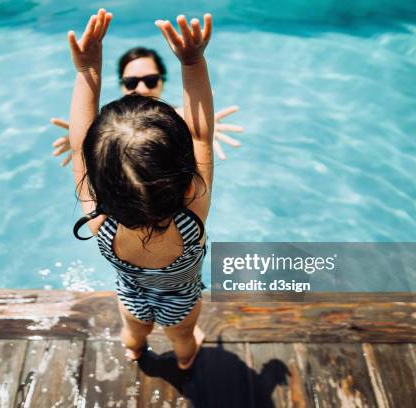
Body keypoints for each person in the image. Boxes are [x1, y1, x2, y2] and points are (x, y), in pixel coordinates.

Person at [66, 9, 214, 370]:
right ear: (183, 176)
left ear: (98, 182)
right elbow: (200, 134)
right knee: (183, 336)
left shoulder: (99, 222)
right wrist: (193, 61)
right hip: (180, 297)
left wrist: (87, 70)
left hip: (131, 292)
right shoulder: (192, 216)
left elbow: (77, 145)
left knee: (133, 329)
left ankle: (133, 349)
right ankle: (184, 359)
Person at [51, 47, 243, 166]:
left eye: (150, 80)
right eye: (131, 82)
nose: (141, 89)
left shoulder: (182, 119)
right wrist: (87, 139)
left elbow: (189, 125)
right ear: (121, 84)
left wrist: (200, 128)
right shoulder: (106, 128)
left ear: (162, 81)